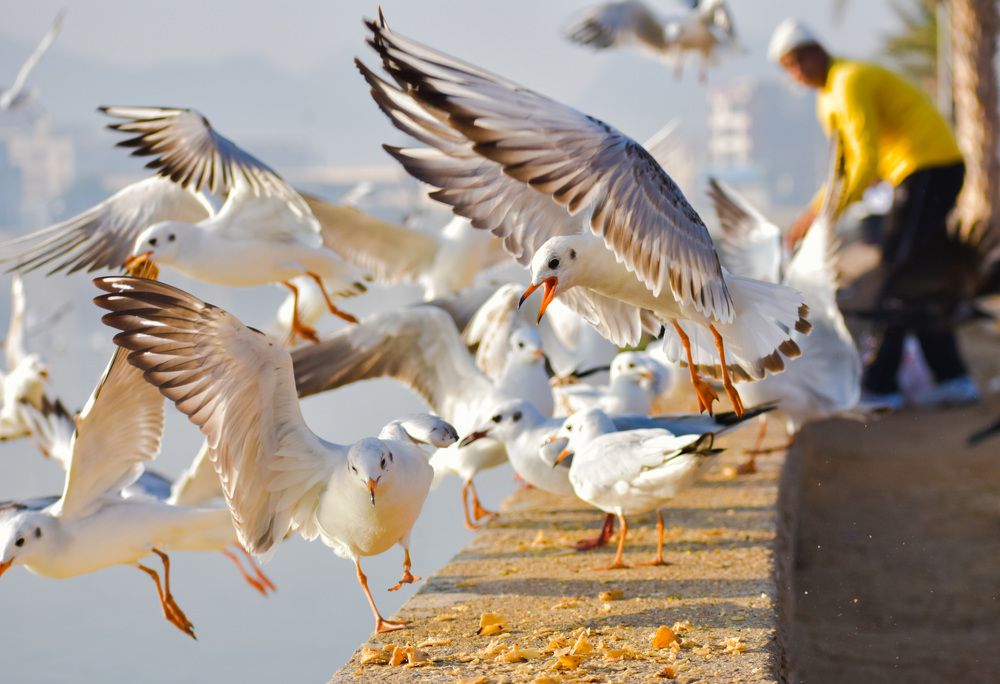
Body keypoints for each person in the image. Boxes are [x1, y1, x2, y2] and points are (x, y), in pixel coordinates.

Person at [767, 18, 979, 409]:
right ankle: (952, 378)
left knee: (897, 278)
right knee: (918, 277)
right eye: (789, 68)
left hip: (927, 169)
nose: (797, 73)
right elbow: (842, 169)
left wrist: (825, 218)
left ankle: (881, 385)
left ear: (817, 52)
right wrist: (811, 216)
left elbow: (864, 161)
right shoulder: (829, 95)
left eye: (799, 61)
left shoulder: (849, 81)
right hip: (922, 174)